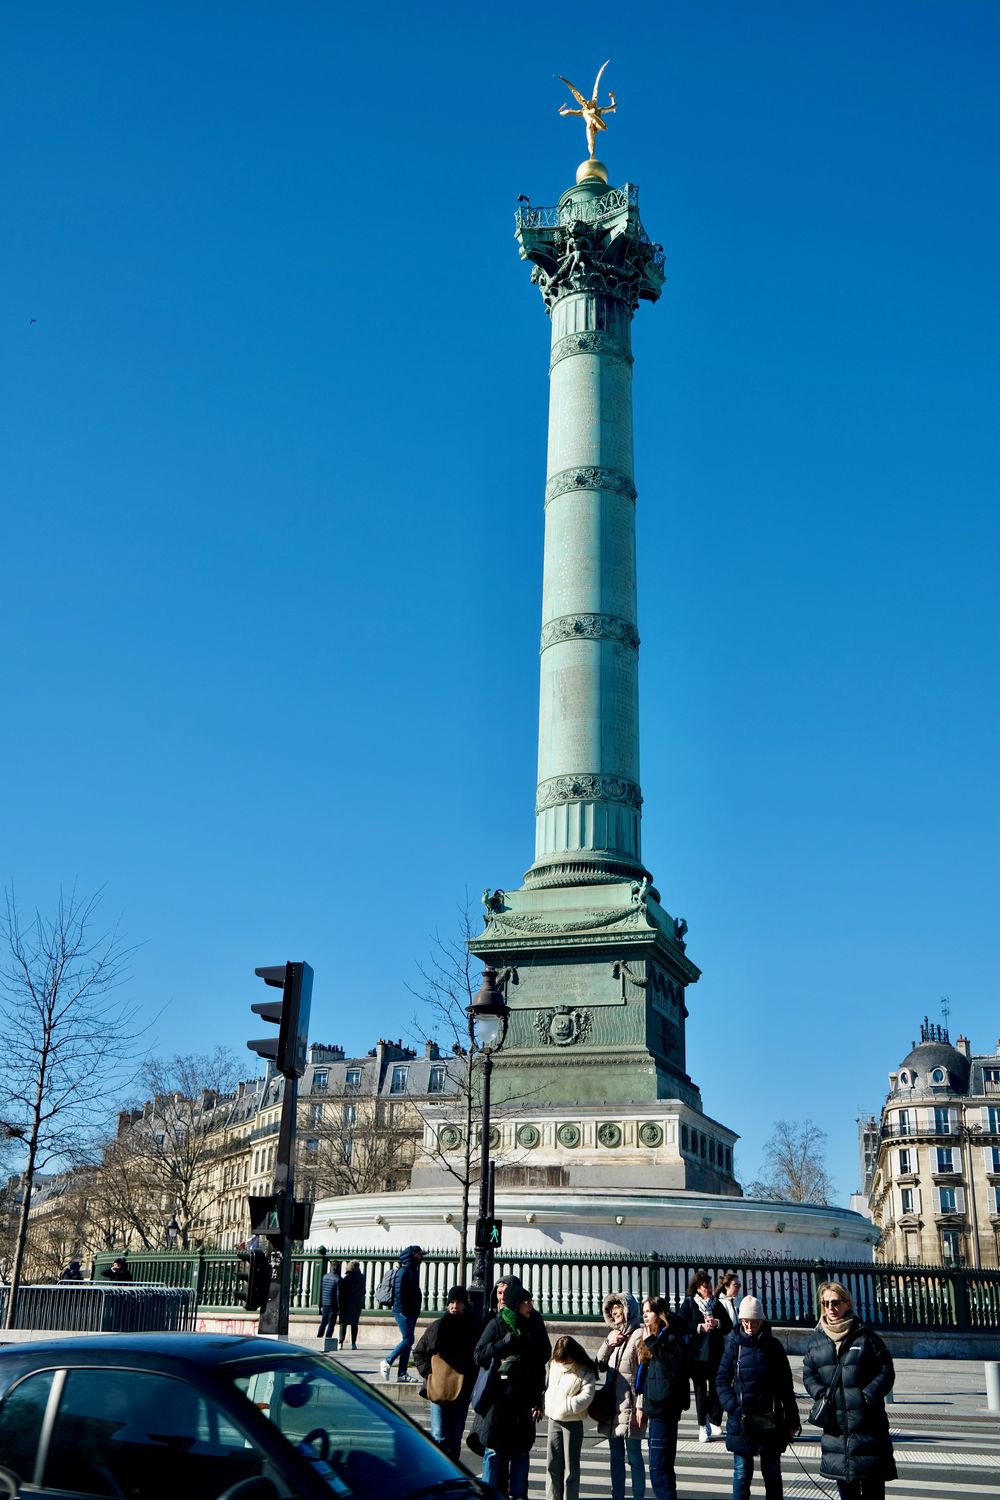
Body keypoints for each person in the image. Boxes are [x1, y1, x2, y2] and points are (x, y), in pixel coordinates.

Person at [803, 1281, 897, 1500]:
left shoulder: (866, 1337)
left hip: (868, 1429)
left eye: (835, 1303)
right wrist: (821, 1394)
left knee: (874, 1494)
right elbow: (809, 1373)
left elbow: (886, 1371)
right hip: (837, 1432)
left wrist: (867, 1397)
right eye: (825, 1303)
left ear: (847, 1304)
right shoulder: (818, 1341)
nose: (830, 1309)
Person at [471, 1276, 551, 1499]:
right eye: (527, 1302)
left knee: (520, 1452)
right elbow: (478, 1355)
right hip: (498, 1401)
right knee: (495, 1452)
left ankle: (518, 1495)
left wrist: (537, 1398)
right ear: (517, 1303)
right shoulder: (497, 1323)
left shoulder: (534, 1322)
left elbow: (544, 1354)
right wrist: (504, 1343)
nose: (531, 1306)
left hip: (523, 1400)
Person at [716, 1295, 800, 1500]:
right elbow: (721, 1380)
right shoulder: (734, 1345)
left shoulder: (774, 1346)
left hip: (770, 1420)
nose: (750, 1326)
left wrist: (792, 1420)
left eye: (754, 1322)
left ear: (762, 1322)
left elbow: (786, 1387)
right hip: (742, 1421)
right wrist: (733, 1406)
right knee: (742, 1474)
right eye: (746, 1321)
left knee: (772, 1475)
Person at [412, 1284, 479, 1462]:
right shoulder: (437, 1326)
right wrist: (430, 1375)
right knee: (439, 1436)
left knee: (455, 1439)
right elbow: (419, 1352)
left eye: (458, 1302)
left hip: (461, 1392)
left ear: (465, 1304)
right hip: (438, 1391)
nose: (454, 1306)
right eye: (451, 1302)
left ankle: (453, 1473)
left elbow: (478, 1359)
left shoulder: (472, 1328)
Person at [634, 1295, 690, 1500]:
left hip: (665, 1408)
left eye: (648, 1311)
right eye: (643, 1312)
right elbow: (647, 1373)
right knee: (662, 1467)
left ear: (659, 1314)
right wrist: (641, 1404)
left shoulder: (673, 1335)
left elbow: (673, 1366)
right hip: (655, 1406)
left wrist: (652, 1341)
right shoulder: (657, 1336)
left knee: (659, 1468)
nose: (644, 1315)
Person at [595, 1290, 646, 1500]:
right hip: (612, 1407)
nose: (615, 1315)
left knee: (633, 1455)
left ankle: (638, 1496)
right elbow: (598, 1365)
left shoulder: (639, 1335)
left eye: (618, 1311)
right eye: (612, 1311)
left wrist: (640, 1406)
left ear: (628, 1311)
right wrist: (608, 1344)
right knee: (615, 1457)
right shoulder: (612, 1336)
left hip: (631, 1405)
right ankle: (617, 1496)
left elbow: (644, 1371)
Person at [678, 1268, 731, 1442]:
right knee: (700, 1391)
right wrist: (699, 1327)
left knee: (716, 1389)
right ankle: (702, 1426)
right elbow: (679, 1324)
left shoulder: (716, 1304)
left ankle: (712, 1418)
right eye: (704, 1285)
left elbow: (729, 1325)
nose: (708, 1287)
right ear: (697, 1288)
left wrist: (717, 1322)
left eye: (709, 1284)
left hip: (715, 1353)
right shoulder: (689, 1304)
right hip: (697, 1355)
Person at [544, 1334, 596, 1500]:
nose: (563, 1362)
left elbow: (587, 1395)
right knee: (552, 1464)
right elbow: (548, 1386)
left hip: (572, 1421)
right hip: (553, 1418)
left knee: (570, 1467)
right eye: (561, 1359)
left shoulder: (584, 1369)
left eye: (566, 1359)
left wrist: (566, 1406)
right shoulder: (554, 1364)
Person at [380, 1244, 424, 1383]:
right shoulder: (404, 1271)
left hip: (411, 1311)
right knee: (408, 1339)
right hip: (403, 1311)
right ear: (413, 1255)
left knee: (408, 1341)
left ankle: (402, 1373)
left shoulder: (413, 1270)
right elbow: (399, 1292)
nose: (421, 1257)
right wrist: (405, 1310)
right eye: (419, 1254)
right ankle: (387, 1361)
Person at [338, 1259, 365, 1350]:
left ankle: (340, 1342)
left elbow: (342, 1291)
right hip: (357, 1303)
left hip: (346, 1303)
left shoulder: (346, 1278)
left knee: (343, 1323)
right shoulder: (362, 1278)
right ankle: (353, 1343)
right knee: (354, 1323)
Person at [317, 1259, 341, 1339]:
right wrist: (339, 1306)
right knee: (331, 1323)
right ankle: (328, 1338)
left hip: (325, 1302)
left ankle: (319, 1337)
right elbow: (338, 1294)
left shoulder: (325, 1276)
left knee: (323, 1322)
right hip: (333, 1304)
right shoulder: (338, 1279)